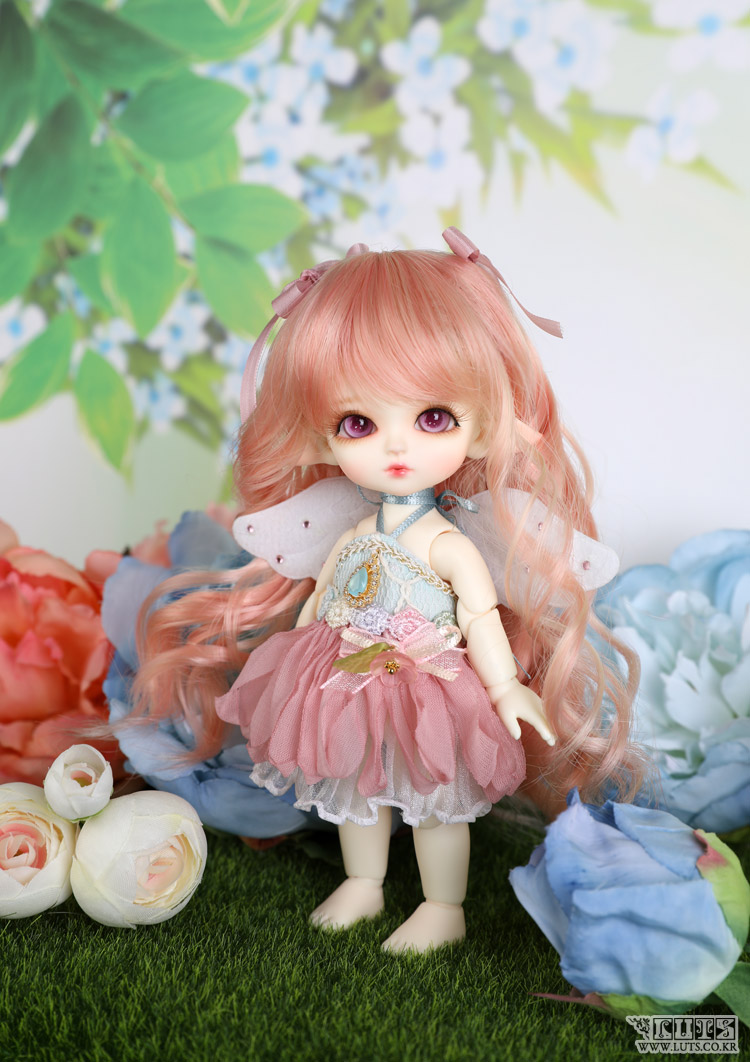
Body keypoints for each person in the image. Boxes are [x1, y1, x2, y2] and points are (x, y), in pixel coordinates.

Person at [132, 229, 642, 952]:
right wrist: (291, 660)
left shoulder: (448, 543)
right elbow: (323, 596)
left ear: (481, 428)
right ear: (322, 437)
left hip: (430, 684)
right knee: (355, 790)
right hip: (344, 674)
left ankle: (443, 905)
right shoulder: (349, 531)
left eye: (433, 418)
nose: (396, 446)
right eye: (359, 423)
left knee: (438, 802)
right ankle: (365, 882)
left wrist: (505, 688)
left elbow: (479, 613)